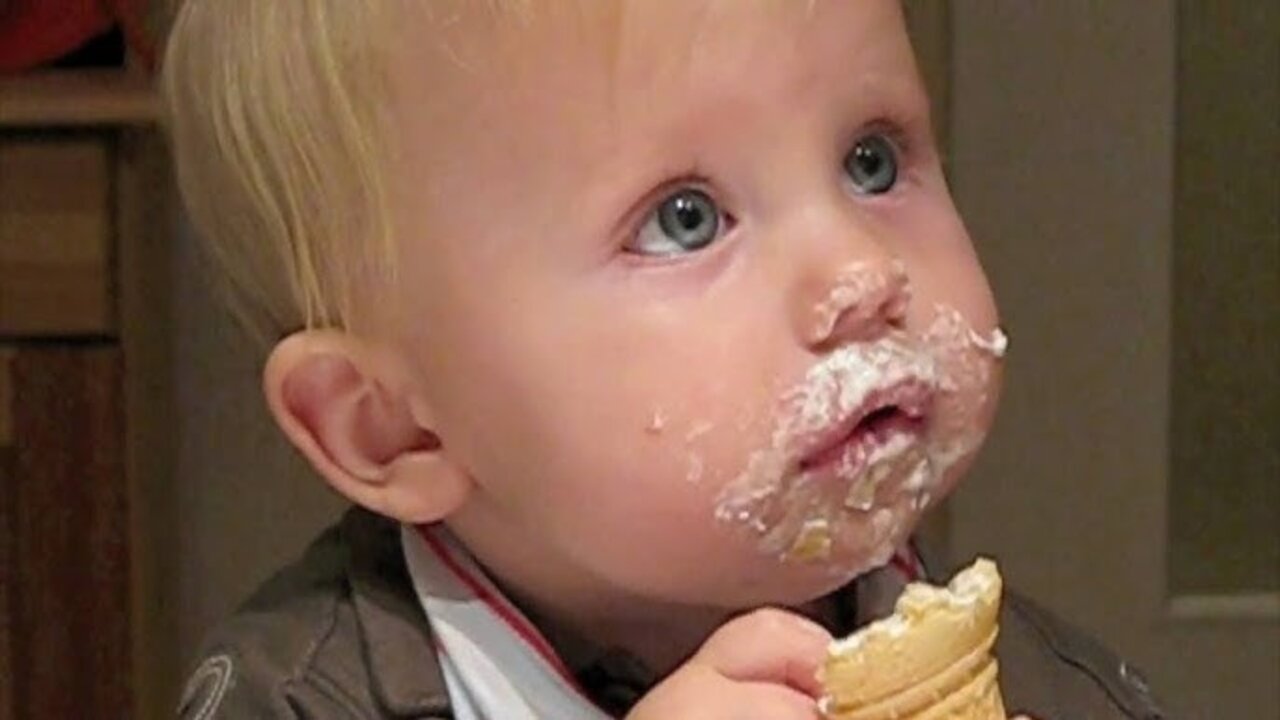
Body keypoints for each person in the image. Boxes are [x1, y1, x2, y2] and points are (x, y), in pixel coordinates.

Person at [163, 2, 1168, 718]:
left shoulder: (1044, 686)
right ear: (395, 425)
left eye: (871, 159)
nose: (859, 272)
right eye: (683, 220)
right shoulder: (296, 696)